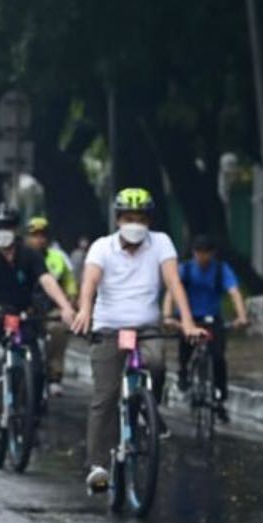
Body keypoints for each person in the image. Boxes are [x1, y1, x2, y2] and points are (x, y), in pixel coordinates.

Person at [70, 188, 205, 492]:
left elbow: (173, 282)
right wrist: (84, 311)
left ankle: (147, 411)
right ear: (118, 220)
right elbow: (89, 282)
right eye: (129, 218)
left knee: (156, 364)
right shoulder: (101, 248)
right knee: (105, 396)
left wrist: (187, 322)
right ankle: (98, 464)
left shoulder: (161, 243)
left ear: (149, 220)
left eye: (141, 218)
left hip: (147, 327)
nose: (135, 223)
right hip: (108, 328)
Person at [0, 203, 77, 410]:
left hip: (23, 313)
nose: (3, 232)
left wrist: (65, 306)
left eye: (7, 227)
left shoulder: (29, 255)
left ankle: (35, 403)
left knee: (37, 366)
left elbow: (47, 280)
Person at [166, 234, 249, 418]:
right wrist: (168, 316)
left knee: (218, 357)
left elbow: (234, 292)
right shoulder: (185, 269)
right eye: (199, 253)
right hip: (189, 318)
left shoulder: (221, 269)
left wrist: (241, 316)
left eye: (206, 253)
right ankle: (183, 372)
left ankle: (220, 397)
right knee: (186, 346)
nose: (202, 257)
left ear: (212, 253)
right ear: (194, 253)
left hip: (213, 319)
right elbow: (172, 291)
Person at [27, 217, 77, 396]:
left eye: (42, 235)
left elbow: (70, 283)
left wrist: (69, 305)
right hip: (25, 310)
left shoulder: (58, 258)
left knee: (59, 328)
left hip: (50, 309)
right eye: (34, 235)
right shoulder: (19, 256)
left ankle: (54, 376)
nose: (39, 240)